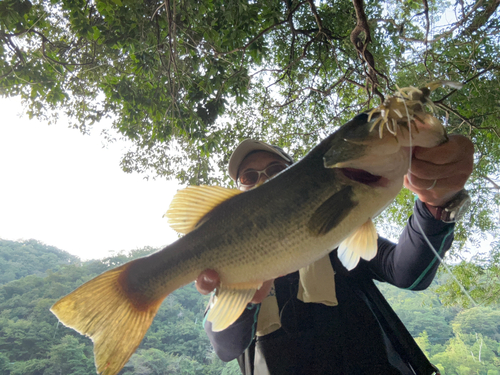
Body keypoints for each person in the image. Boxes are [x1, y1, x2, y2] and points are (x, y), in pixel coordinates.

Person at [196, 135, 474, 374]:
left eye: (276, 169)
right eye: (248, 177)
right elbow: (226, 345)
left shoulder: (341, 231)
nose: (263, 180)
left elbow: (407, 272)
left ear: (297, 179)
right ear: (238, 195)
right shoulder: (230, 264)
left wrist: (435, 204)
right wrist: (243, 298)